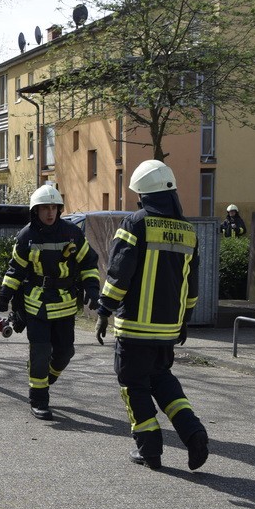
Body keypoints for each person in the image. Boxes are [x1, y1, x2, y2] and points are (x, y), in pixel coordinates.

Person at [94, 159, 209, 471]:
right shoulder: (188, 231)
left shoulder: (135, 224)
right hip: (168, 330)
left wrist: (104, 309)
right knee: (162, 380)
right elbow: (192, 285)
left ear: (142, 194)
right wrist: (184, 319)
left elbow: (119, 275)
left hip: (134, 328)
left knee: (133, 384)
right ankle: (193, 431)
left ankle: (150, 450)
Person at [0, 184, 101, 420]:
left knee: (65, 352)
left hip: (65, 305)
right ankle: (39, 399)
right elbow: (15, 271)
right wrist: (2, 299)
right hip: (35, 304)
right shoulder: (26, 236)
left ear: (59, 209)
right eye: (44, 208)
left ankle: (44, 379)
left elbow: (89, 262)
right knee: (40, 352)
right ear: (35, 211)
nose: (50, 213)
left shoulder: (72, 233)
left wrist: (92, 289)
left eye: (54, 207)